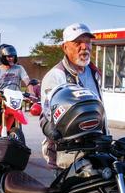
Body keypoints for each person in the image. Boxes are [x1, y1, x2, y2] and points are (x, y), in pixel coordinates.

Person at [40, 23, 103, 169]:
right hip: (68, 157)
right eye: (77, 43)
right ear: (65, 47)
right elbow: (46, 115)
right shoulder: (55, 76)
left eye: (88, 42)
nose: (84, 46)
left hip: (94, 149)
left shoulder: (93, 73)